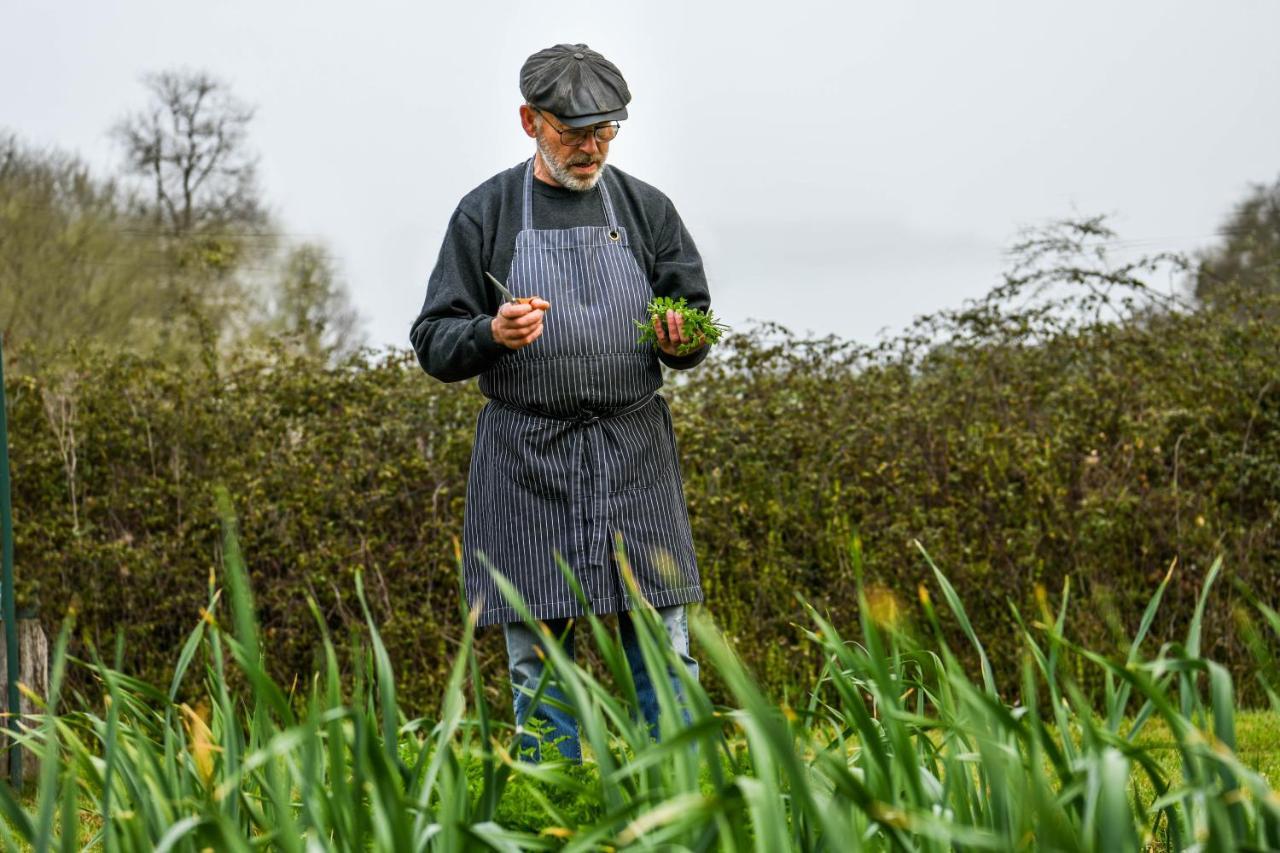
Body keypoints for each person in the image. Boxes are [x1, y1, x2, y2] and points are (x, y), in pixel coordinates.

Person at [409, 43, 711, 763]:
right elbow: (433, 340)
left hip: (634, 458)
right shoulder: (484, 214)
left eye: (605, 130)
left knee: (664, 657)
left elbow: (693, 317)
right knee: (539, 668)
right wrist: (490, 332)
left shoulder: (646, 210)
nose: (590, 147)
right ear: (528, 121)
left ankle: (676, 806)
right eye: (573, 131)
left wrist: (680, 339)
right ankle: (558, 810)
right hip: (526, 464)